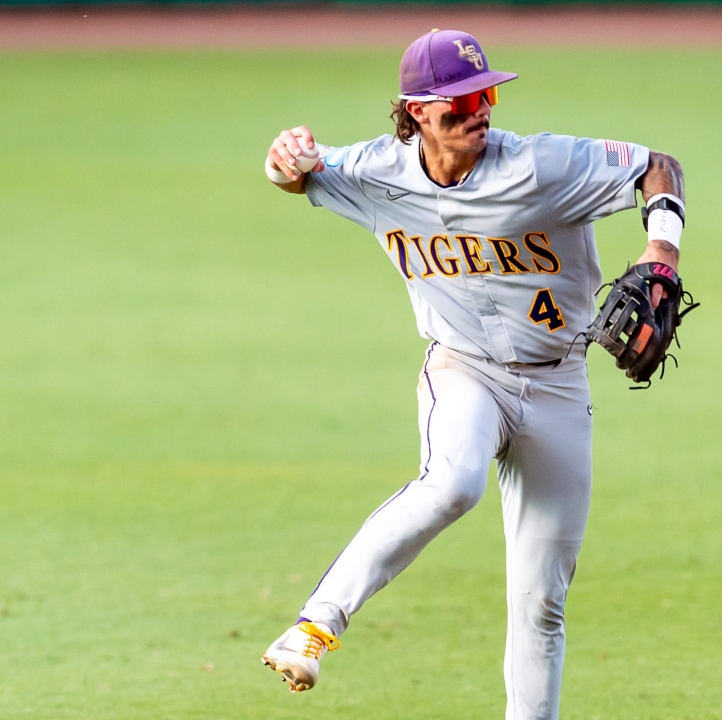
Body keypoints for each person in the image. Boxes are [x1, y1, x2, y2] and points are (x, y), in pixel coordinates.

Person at [259, 28, 685, 720]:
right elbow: (298, 172)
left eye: (485, 95)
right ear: (416, 111)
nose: (479, 111)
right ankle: (316, 625)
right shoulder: (377, 173)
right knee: (453, 483)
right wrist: (284, 160)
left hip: (558, 384)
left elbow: (657, 166)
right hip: (464, 369)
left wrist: (661, 252)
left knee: (541, 601)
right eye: (458, 104)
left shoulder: (541, 166)